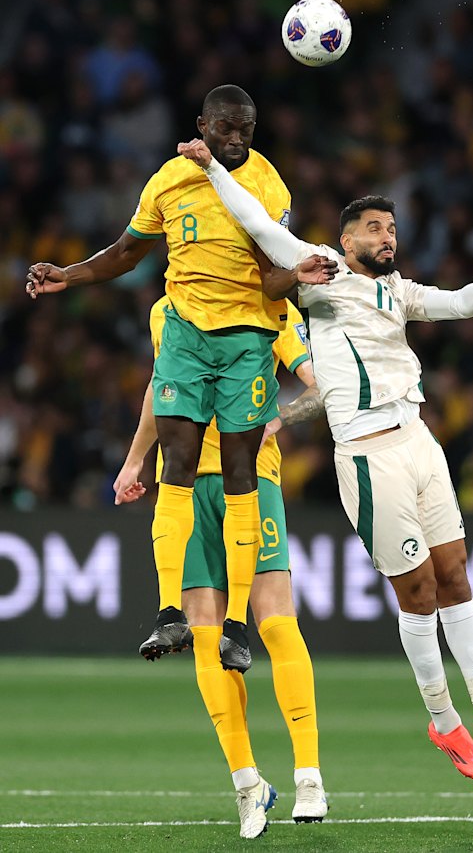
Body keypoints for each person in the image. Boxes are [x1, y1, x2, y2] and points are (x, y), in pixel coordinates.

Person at [176, 137, 473, 783]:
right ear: (345, 242)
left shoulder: (397, 291)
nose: (386, 235)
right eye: (374, 227)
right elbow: (260, 227)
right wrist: (211, 170)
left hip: (419, 441)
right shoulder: (321, 273)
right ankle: (445, 722)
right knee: (418, 591)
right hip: (369, 457)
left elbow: (454, 304)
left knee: (455, 573)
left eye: (392, 227)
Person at [25, 83, 336, 671]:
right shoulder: (168, 180)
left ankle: (236, 625)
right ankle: (171, 614)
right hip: (186, 336)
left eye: (245, 127)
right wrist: (70, 274)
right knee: (177, 464)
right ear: (203, 124)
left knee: (242, 472)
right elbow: (126, 251)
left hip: (247, 338)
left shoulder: (268, 186)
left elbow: (271, 276)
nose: (236, 137)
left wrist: (298, 276)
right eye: (225, 127)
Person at [113, 296, 328, 838]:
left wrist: (279, 419)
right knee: (205, 639)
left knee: (274, 620)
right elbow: (163, 388)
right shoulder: (166, 309)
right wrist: (136, 458)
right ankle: (247, 783)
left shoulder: (269, 303)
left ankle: (309, 777)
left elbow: (318, 384)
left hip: (252, 481)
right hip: (184, 487)